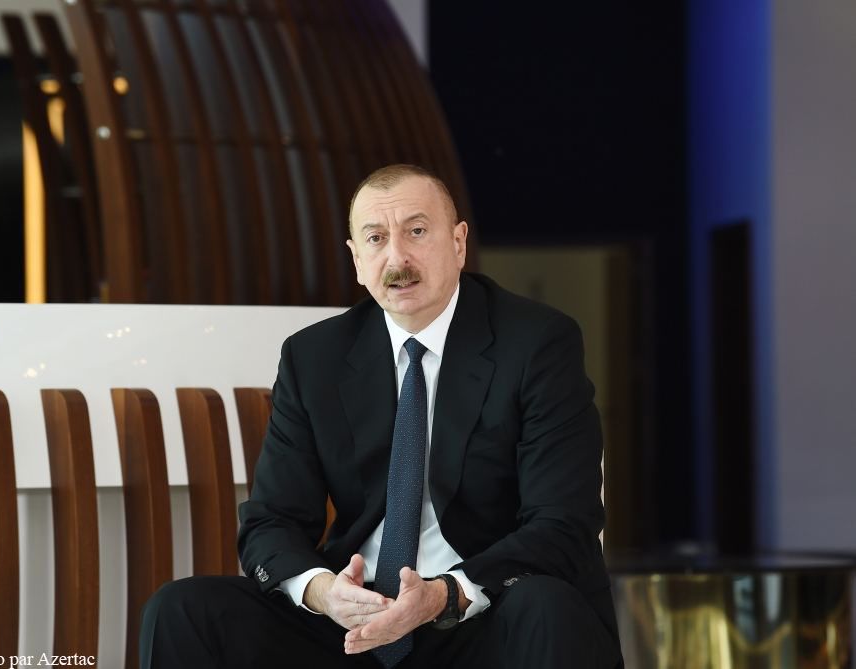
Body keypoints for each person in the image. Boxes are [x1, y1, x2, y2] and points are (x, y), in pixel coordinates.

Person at [140, 164, 622, 668]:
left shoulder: (536, 343)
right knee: (183, 609)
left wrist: (442, 595)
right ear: (357, 260)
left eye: (417, 231)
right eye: (376, 238)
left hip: (480, 611)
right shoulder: (314, 357)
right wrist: (324, 592)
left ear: (458, 243)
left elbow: (563, 523)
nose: (397, 258)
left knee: (544, 606)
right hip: (355, 622)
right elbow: (272, 521)